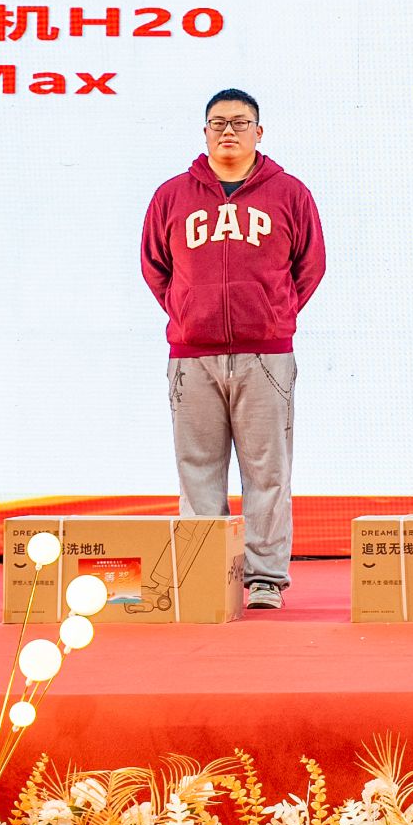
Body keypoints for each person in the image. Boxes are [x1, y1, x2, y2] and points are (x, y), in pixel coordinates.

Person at [140, 89, 326, 611]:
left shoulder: (289, 193)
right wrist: (188, 313)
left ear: (258, 132)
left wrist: (273, 314)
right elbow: (155, 266)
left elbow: (309, 265)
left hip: (266, 356)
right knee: (197, 467)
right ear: (204, 132)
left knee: (268, 470)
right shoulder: (172, 196)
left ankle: (265, 579)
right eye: (218, 122)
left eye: (240, 122)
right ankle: (207, 574)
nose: (229, 131)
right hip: (191, 356)